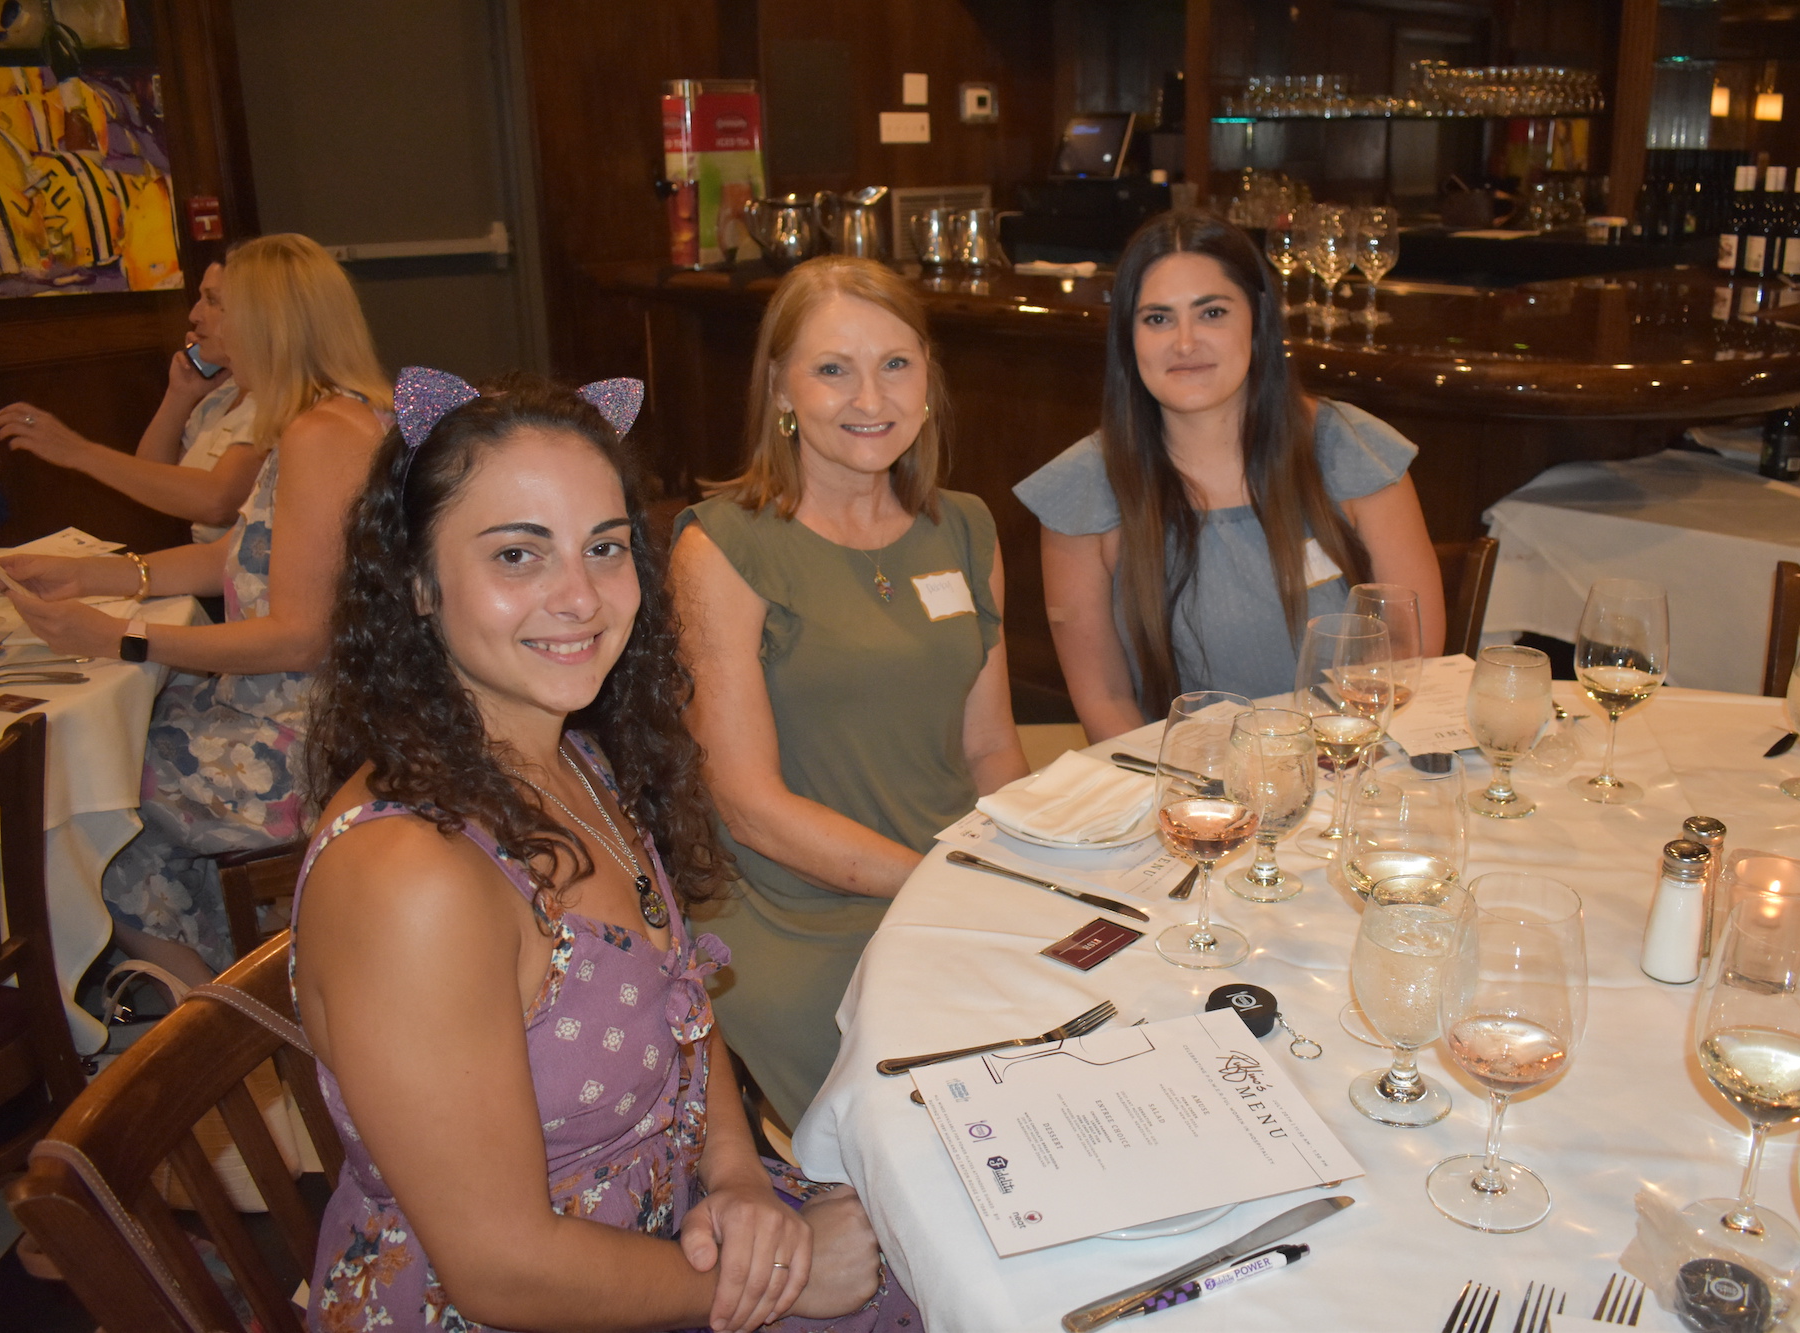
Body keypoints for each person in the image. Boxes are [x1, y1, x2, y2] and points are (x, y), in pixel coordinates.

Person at [293, 368, 913, 1333]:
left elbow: (682, 1008)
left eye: (605, 547)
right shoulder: (409, 879)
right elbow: (500, 1270)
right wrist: (783, 1281)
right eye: (517, 555)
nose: (579, 597)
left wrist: (738, 1174)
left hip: (669, 1226)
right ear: (416, 581)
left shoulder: (574, 759)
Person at [670, 255, 1028, 1127]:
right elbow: (749, 806)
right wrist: (944, 883)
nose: (871, 397)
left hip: (953, 876)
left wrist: (1026, 871)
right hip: (798, 910)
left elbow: (990, 747)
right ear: (780, 389)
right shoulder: (721, 547)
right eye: (833, 368)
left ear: (928, 379)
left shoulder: (966, 526)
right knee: (944, 1111)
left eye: (895, 364)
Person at [0, 233, 390, 985]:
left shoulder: (320, 435)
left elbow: (301, 636)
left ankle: (213, 1011)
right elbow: (237, 556)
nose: (207, 323)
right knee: (122, 751)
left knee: (90, 798)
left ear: (268, 324)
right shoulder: (330, 417)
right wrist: (89, 576)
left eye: (224, 307)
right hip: (308, 712)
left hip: (313, 743)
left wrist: (121, 637)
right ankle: (224, 975)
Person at [1016, 209, 1445, 742]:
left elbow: (1409, 653)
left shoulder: (1350, 450)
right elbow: (1106, 702)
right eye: (1157, 319)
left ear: (1258, 318)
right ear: (1127, 337)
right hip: (1186, 782)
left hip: (1349, 760)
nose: (1185, 343)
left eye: (1212, 312)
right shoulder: (1081, 490)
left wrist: (1331, 769)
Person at [0, 260, 266, 542]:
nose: (194, 314)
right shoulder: (223, 395)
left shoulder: (276, 401)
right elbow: (151, 479)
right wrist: (180, 395)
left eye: (212, 300)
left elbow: (217, 502)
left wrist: (77, 451)